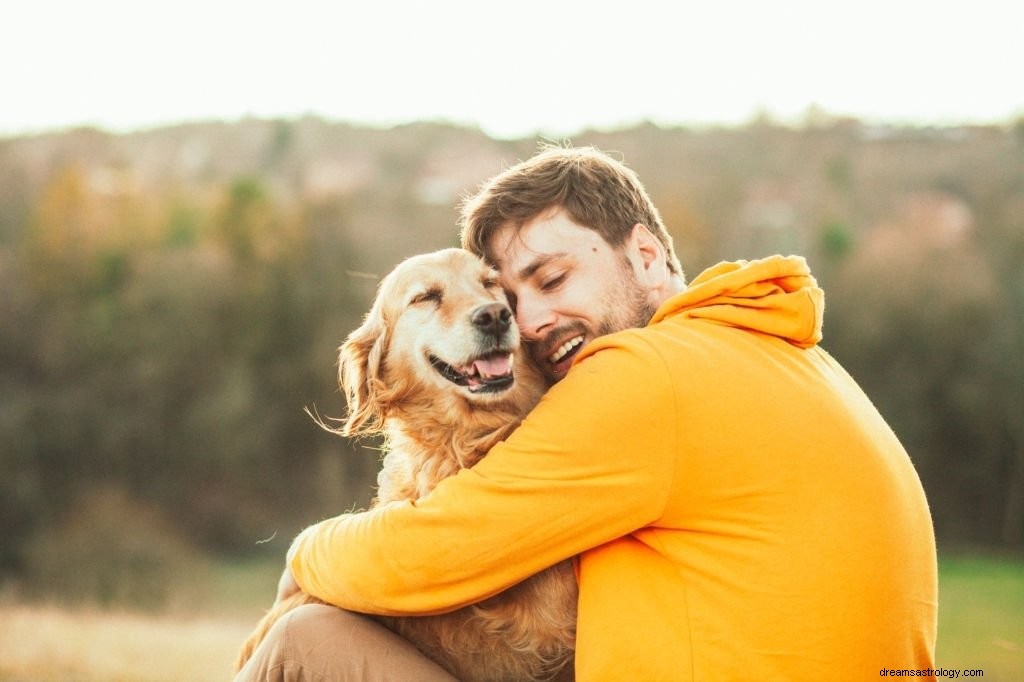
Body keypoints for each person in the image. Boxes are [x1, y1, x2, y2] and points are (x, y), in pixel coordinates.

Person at [238, 146, 938, 680]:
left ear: (645, 253)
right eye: (514, 297)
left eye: (552, 278)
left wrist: (305, 553)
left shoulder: (646, 374)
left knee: (302, 640)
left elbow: (431, 554)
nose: (528, 319)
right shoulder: (781, 352)